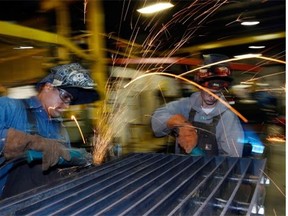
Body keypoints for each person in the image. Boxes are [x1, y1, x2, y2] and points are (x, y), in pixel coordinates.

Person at [0, 62, 99, 199]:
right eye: (64, 97)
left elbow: (62, 165)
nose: (66, 106)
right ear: (48, 87)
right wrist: (30, 142)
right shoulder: (9, 107)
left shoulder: (59, 128)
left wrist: (80, 164)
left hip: (45, 203)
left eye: (69, 101)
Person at [151, 54, 244, 157]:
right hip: (181, 170)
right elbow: (156, 119)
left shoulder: (228, 118)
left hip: (211, 172)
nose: (212, 96)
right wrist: (177, 122)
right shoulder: (184, 106)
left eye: (216, 93)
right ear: (199, 86)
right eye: (208, 91)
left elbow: (233, 159)